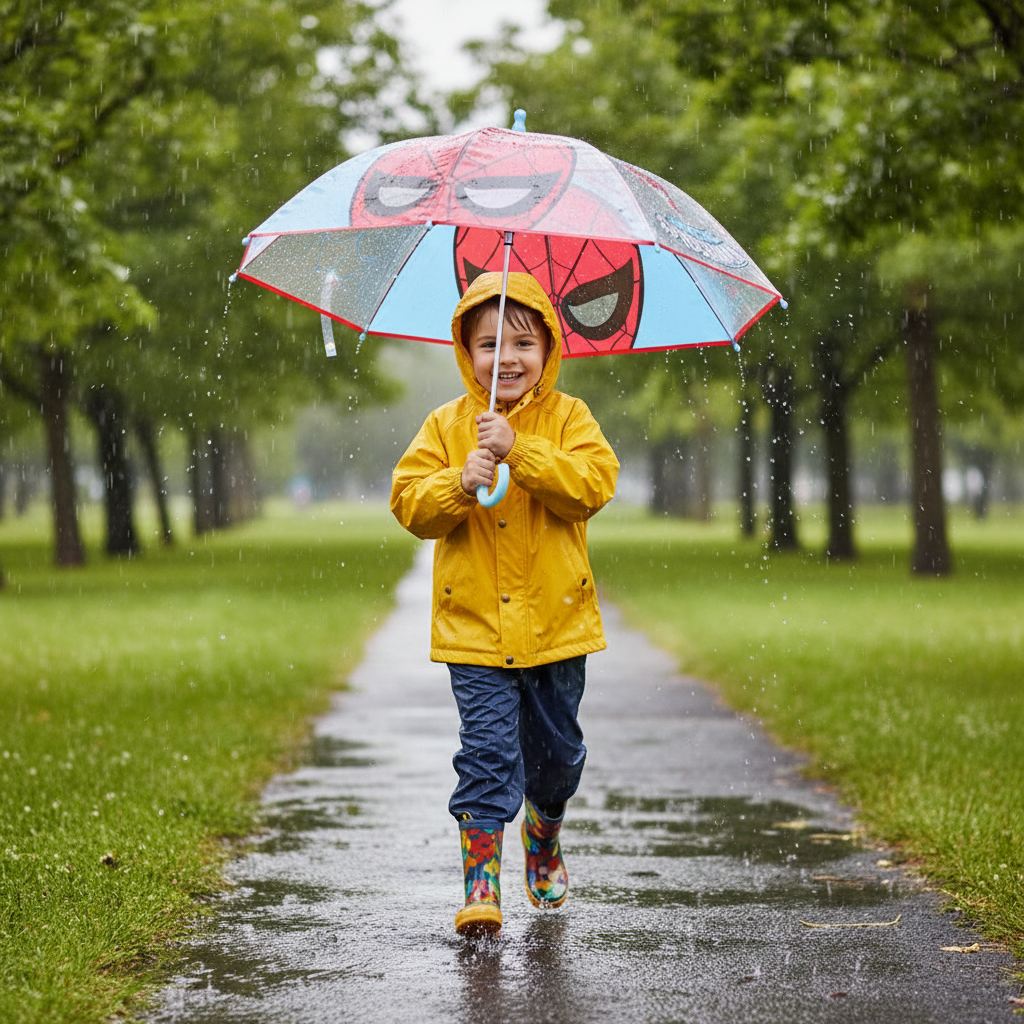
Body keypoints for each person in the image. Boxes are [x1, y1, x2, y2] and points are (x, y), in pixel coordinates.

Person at [390, 271, 619, 936]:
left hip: (556, 625)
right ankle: (480, 884)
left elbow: (592, 486)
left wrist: (524, 451)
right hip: (476, 631)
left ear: (548, 349)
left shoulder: (570, 419)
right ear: (467, 355)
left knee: (556, 760)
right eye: (489, 345)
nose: (507, 358)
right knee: (487, 754)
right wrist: (459, 482)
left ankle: (543, 836)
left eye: (523, 342)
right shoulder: (447, 426)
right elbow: (410, 504)